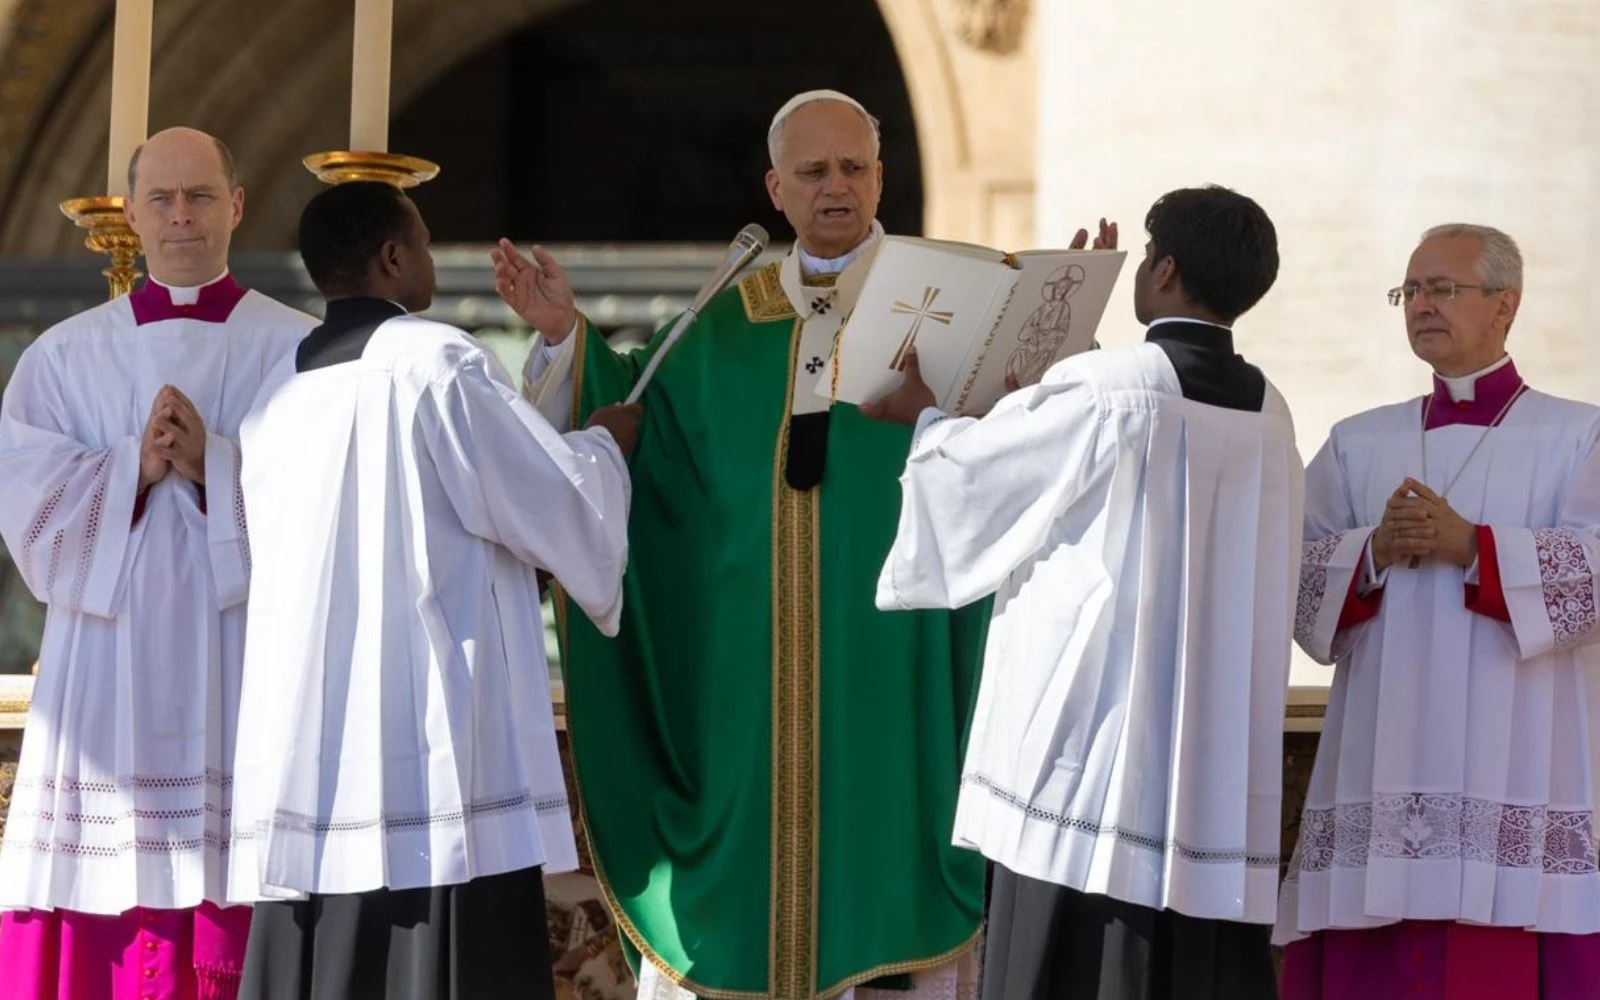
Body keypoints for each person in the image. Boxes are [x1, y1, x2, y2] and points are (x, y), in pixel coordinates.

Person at [495, 89, 1005, 1000]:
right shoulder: (721, 328)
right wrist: (569, 339)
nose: (836, 186)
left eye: (854, 167)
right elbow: (637, 424)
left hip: (895, 680)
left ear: (882, 176)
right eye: (813, 172)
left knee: (894, 868)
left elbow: (1018, 454)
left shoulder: (947, 310)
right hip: (744, 698)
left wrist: (1034, 348)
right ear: (776, 188)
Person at [865, 185, 1300, 1000]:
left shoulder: (1109, 389)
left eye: (1143, 253)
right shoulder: (1270, 412)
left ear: (1164, 270)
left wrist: (928, 422)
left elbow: (982, 483)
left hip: (1089, 755)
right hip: (1205, 766)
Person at [226, 180, 638, 1000]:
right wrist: (605, 447)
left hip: (315, 746)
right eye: (418, 242)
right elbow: (546, 503)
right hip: (430, 749)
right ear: (391, 256)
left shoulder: (274, 393)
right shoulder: (433, 360)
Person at [0, 127, 318, 999]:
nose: (182, 215)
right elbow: (30, 515)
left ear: (238, 205)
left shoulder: (299, 348)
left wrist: (214, 464)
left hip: (244, 657)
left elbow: (332, 508)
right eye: (163, 199)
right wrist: (132, 468)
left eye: (201, 196)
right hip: (107, 667)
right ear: (131, 215)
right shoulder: (64, 356)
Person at [1277, 224, 1600, 999]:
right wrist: (1374, 551)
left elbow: (1593, 574)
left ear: (1505, 305)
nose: (1421, 304)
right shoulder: (1358, 442)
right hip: (1380, 749)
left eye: (1442, 289)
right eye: (1410, 291)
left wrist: (1478, 548)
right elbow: (1291, 571)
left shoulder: (1579, 435)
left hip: (1520, 743)